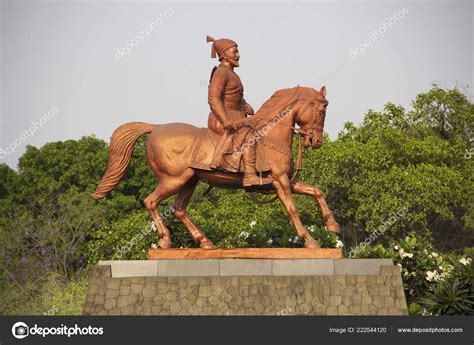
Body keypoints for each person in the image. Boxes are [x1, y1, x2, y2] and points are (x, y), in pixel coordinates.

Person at [206, 35, 260, 186]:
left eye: (237, 51)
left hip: (236, 116)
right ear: (224, 55)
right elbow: (214, 98)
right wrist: (225, 120)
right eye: (234, 51)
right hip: (222, 118)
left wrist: (245, 105)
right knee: (250, 136)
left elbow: (234, 96)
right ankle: (249, 175)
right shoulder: (221, 72)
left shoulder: (233, 74)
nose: (238, 55)